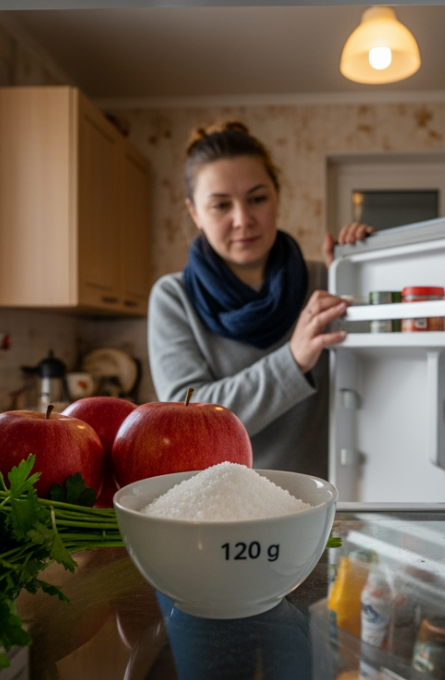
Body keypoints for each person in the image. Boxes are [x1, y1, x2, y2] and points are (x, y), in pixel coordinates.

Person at [147, 122, 373, 478]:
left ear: (277, 197)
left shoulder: (323, 281)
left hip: (322, 499)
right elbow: (187, 421)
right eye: (221, 205)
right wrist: (291, 361)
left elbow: (375, 375)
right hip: (222, 506)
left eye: (257, 199)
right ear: (195, 213)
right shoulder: (173, 297)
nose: (243, 220)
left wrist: (364, 273)